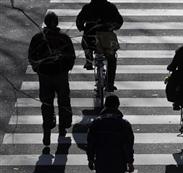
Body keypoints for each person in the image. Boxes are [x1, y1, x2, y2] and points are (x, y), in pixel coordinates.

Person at [28, 11, 75, 146]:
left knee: (47, 104)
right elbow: (71, 56)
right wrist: (65, 68)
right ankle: (63, 127)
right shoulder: (64, 38)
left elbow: (32, 56)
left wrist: (38, 69)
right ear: (57, 22)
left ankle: (47, 132)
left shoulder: (38, 38)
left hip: (45, 76)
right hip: (60, 75)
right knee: (64, 101)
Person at [87, 95, 134, 173]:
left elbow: (90, 144)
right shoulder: (124, 125)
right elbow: (128, 146)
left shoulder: (96, 123)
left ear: (105, 106)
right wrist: (130, 162)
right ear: (118, 106)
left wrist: (91, 159)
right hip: (119, 162)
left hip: (102, 161)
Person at [76, 0, 123, 91]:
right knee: (111, 59)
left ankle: (89, 60)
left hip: (90, 38)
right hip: (106, 39)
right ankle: (110, 84)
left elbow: (79, 21)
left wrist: (82, 27)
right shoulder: (110, 7)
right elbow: (119, 21)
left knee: (85, 43)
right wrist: (112, 27)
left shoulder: (87, 8)